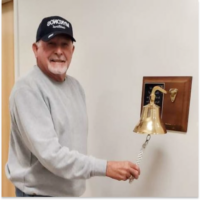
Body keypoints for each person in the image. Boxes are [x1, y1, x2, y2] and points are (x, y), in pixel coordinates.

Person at [5, 16, 140, 197]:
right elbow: (51, 155)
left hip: (70, 193)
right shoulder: (27, 89)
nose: (59, 51)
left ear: (72, 50)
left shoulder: (75, 87)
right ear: (36, 49)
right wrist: (105, 167)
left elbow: (72, 144)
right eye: (51, 44)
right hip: (38, 194)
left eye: (65, 45)